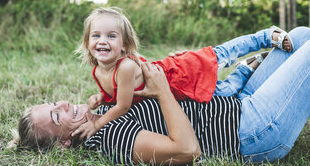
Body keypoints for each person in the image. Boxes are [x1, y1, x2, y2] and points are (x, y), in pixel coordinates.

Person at [9, 26, 310, 164]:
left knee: (298, 36)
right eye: (55, 115)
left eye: (52, 103)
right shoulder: (111, 139)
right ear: (63, 143)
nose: (62, 103)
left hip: (238, 104)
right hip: (253, 132)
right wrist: (163, 92)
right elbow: (188, 151)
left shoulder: (104, 112)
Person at [74, 7, 293, 139]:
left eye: (111, 36)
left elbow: (122, 106)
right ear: (87, 41)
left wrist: (97, 123)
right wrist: (102, 97)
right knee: (224, 93)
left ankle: (265, 36)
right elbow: (121, 93)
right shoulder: (98, 69)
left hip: (179, 74)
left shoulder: (125, 67)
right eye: (96, 36)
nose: (102, 41)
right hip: (177, 91)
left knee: (222, 54)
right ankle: (246, 68)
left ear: (124, 45)